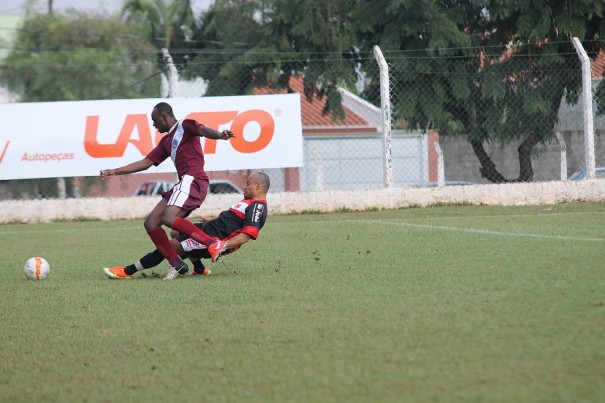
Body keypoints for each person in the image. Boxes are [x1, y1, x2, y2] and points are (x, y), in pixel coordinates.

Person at [100, 102, 235, 279]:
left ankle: (211, 244)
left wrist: (219, 135)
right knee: (151, 223)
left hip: (193, 179)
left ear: (164, 117)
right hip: (184, 182)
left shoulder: (185, 125)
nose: (154, 125)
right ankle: (176, 263)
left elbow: (204, 131)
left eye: (155, 121)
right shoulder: (166, 141)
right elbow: (146, 162)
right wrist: (115, 171)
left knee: (170, 218)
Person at [103, 172, 270, 280]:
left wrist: (222, 245)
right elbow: (232, 220)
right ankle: (199, 268)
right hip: (210, 229)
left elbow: (246, 236)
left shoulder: (258, 207)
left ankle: (128, 271)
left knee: (170, 248)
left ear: (258, 187)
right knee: (176, 231)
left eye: (247, 183)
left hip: (214, 239)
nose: (244, 186)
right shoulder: (249, 202)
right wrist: (211, 220)